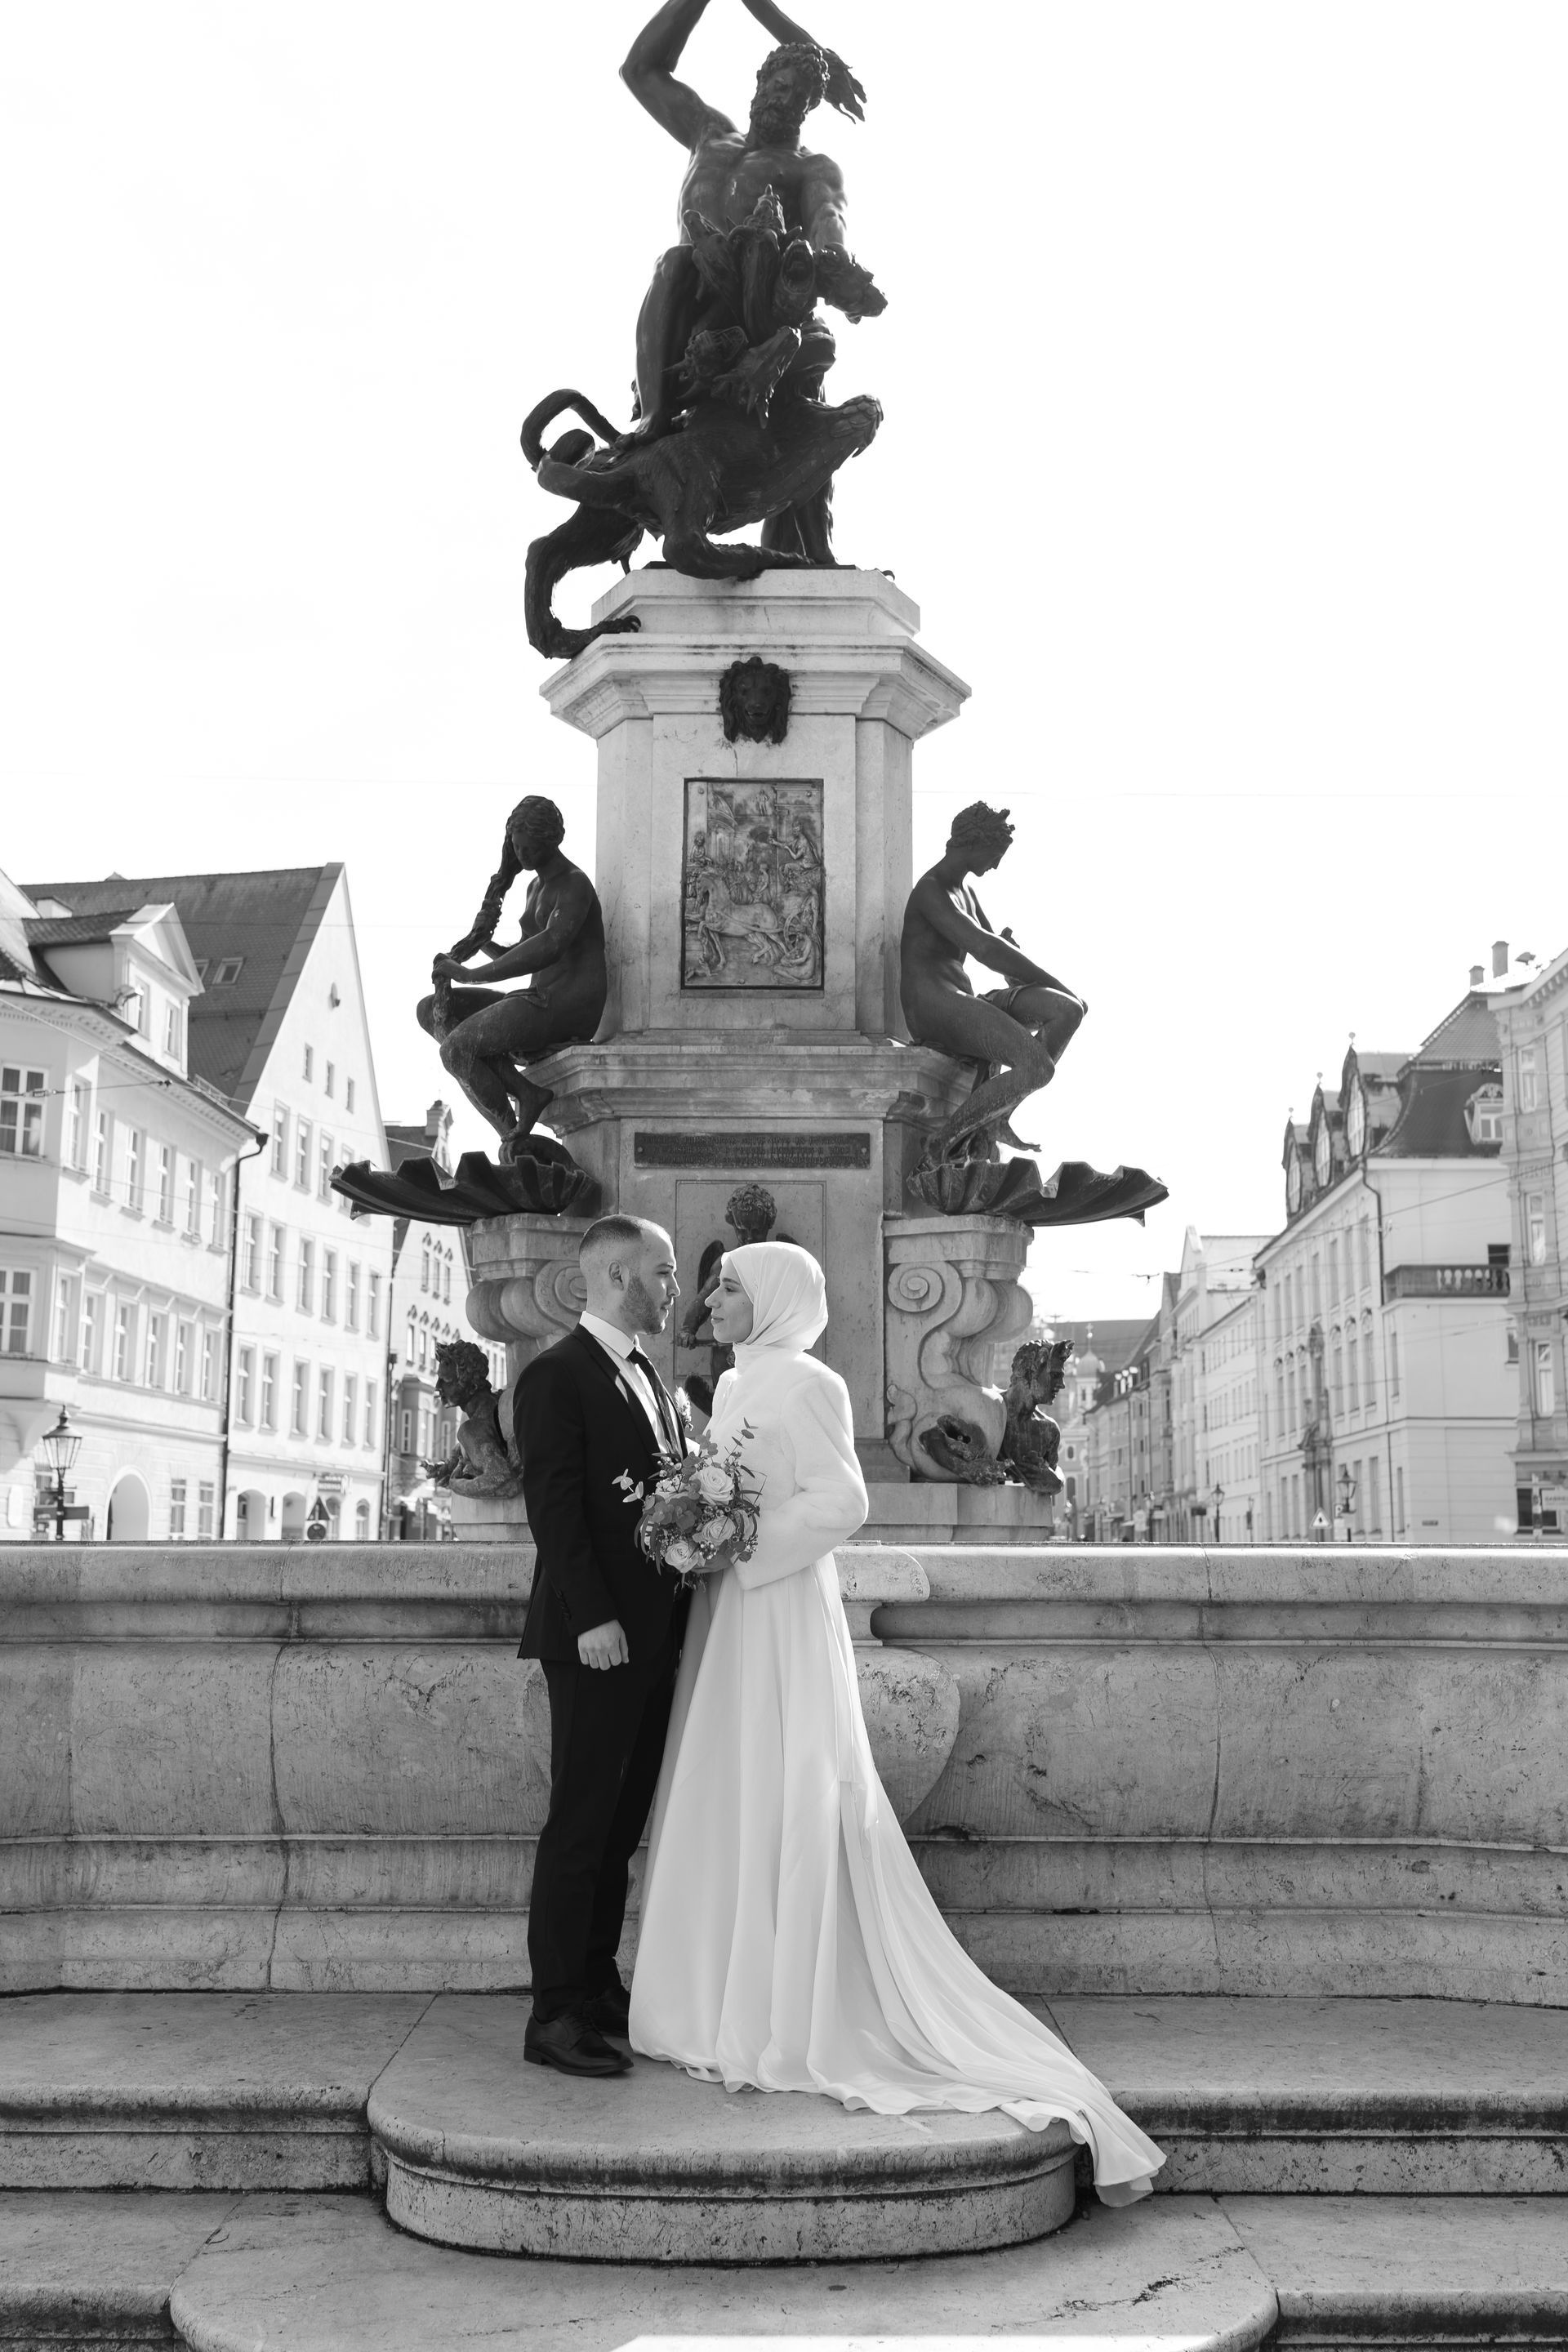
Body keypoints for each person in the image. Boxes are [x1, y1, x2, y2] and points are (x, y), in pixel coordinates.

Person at [629, 1241, 1163, 2205]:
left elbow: (844, 1501)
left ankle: (784, 1999)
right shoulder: (739, 1384)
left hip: (777, 1607)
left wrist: (736, 1545)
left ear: (780, 1298)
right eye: (712, 1286)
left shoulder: (809, 1383)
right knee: (729, 1775)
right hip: (733, 1608)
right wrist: (700, 1535)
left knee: (784, 1773)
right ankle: (718, 1994)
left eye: (730, 1286)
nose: (712, 1299)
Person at [514, 1215, 689, 2079]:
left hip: (654, 1634)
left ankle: (595, 1982)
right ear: (619, 1275)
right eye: (664, 1273)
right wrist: (592, 1619)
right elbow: (553, 1509)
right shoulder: (556, 1374)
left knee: (619, 1828)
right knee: (580, 1825)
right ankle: (552, 2015)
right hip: (597, 1637)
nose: (675, 1289)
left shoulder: (650, 1374)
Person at [621, 0, 865, 443]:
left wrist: (837, 261)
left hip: (754, 303)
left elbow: (829, 216)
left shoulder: (810, 168)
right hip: (688, 296)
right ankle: (653, 414)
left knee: (678, 261)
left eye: (797, 97)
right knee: (675, 261)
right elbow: (640, 70)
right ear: (759, 82)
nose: (782, 99)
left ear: (808, 108)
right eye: (777, 86)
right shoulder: (709, 134)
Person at [416, 796, 607, 1154]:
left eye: (528, 847)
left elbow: (549, 947)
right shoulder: (535, 887)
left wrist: (469, 974)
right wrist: (482, 941)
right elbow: (521, 953)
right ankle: (525, 1096)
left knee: (457, 1049)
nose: (520, 855)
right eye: (516, 846)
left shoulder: (574, 885)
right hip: (536, 1003)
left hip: (564, 1008)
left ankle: (513, 1135)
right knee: (430, 1010)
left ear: (549, 840)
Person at [901, 802, 1087, 1161]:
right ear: (973, 843)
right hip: (933, 1008)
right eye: (994, 854)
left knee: (1068, 1011)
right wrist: (1057, 981)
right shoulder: (930, 890)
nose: (996, 864)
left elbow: (998, 951)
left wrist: (1051, 988)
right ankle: (942, 1143)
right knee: (1037, 1067)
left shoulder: (968, 894)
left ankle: (997, 1114)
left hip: (962, 1000)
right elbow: (987, 948)